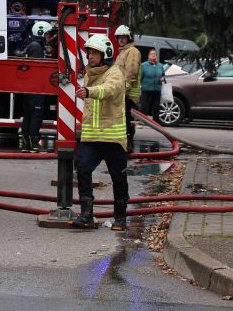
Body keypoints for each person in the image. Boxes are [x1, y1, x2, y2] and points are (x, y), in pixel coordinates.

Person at [71, 34, 129, 230]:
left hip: (112, 139)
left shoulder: (115, 73)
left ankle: (120, 219)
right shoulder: (89, 74)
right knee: (82, 168)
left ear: (106, 54)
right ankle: (87, 215)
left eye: (95, 52)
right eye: (89, 52)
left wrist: (89, 91)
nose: (90, 56)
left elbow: (109, 90)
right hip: (92, 138)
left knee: (118, 178)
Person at [19, 21, 49, 152]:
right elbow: (37, 68)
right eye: (48, 34)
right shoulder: (36, 47)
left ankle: (26, 144)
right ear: (41, 32)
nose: (49, 36)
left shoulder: (32, 45)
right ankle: (34, 144)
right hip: (35, 87)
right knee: (36, 115)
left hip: (29, 87)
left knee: (28, 115)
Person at [114, 25, 141, 152]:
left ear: (129, 38)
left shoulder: (132, 51)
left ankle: (128, 145)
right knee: (122, 119)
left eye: (124, 37)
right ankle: (123, 143)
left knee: (126, 120)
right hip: (121, 92)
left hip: (127, 94)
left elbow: (131, 72)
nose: (121, 40)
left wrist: (124, 90)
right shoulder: (123, 52)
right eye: (119, 37)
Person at [140, 49, 166, 122]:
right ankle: (142, 121)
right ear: (148, 56)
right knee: (144, 106)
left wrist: (163, 78)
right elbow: (140, 77)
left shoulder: (160, 65)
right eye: (151, 54)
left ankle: (155, 121)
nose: (153, 55)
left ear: (156, 56)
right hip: (146, 89)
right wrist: (139, 86)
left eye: (154, 54)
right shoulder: (144, 65)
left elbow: (163, 75)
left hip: (157, 89)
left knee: (156, 107)